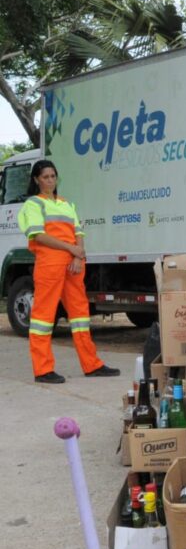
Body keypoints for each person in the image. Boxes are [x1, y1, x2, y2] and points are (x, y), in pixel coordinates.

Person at [16, 160, 119, 383]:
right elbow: (39, 236)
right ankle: (43, 370)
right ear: (36, 180)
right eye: (46, 177)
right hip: (50, 263)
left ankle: (92, 364)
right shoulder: (33, 204)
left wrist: (78, 254)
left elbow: (79, 231)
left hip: (73, 264)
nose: (51, 180)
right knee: (43, 317)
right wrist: (71, 249)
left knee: (81, 315)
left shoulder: (66, 204)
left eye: (53, 176)